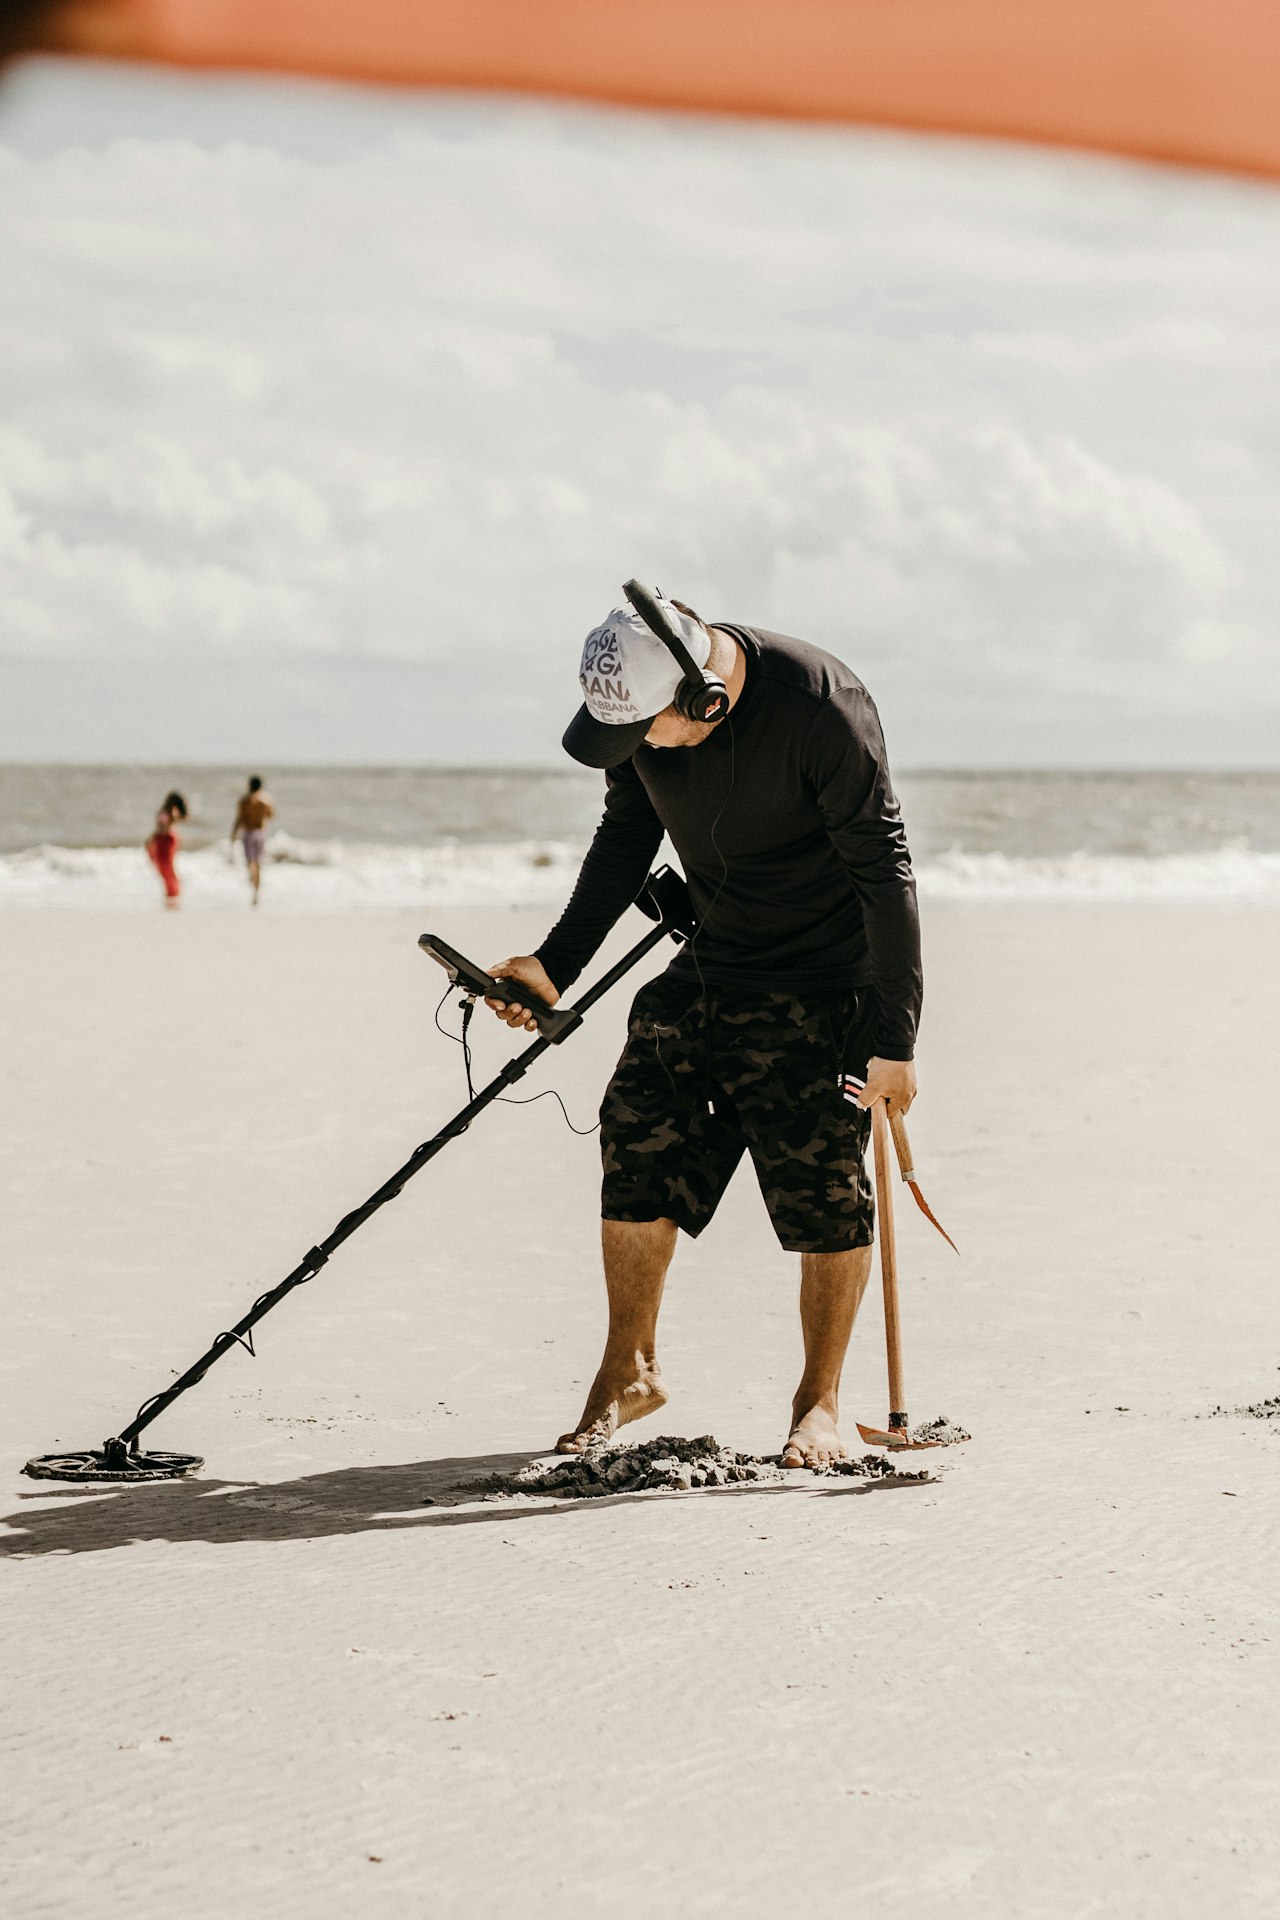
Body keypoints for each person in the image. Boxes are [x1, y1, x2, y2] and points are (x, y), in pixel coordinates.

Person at [485, 590, 922, 1469]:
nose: (637, 749)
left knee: (820, 1187)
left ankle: (818, 1403)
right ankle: (628, 1369)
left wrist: (893, 1037)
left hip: (826, 975)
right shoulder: (639, 726)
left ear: (704, 698)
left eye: (646, 729)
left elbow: (886, 869)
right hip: (712, 956)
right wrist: (552, 965)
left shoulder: (821, 709)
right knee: (637, 1135)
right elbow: (624, 839)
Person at [231, 776, 274, 905]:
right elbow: (271, 815)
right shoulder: (265, 801)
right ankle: (256, 892)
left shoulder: (244, 801)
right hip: (260, 833)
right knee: (258, 864)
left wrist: (233, 834)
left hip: (249, 833)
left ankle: (252, 879)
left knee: (250, 862)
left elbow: (239, 819)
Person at [145, 790, 188, 909]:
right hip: (167, 841)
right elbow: (165, 825)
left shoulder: (165, 812)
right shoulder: (168, 812)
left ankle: (172, 898)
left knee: (168, 872)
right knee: (168, 871)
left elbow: (162, 826)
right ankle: (172, 898)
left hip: (165, 841)